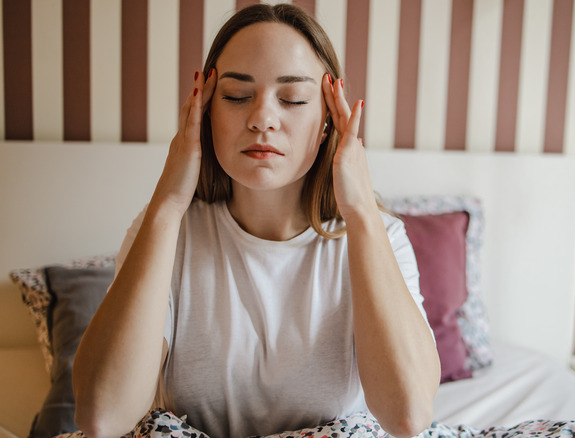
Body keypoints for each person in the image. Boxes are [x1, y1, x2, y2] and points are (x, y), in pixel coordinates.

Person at [71, 4, 440, 438]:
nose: (263, 118)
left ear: (326, 121)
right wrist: (168, 203)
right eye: (236, 96)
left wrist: (359, 211)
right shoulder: (166, 233)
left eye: (293, 99)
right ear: (205, 111)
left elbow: (409, 418)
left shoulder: (380, 236)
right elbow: (101, 417)